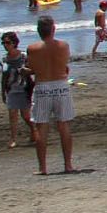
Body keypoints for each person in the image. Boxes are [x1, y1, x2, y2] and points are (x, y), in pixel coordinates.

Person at [26, 15, 76, 175]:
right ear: (53, 29)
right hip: (60, 85)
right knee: (64, 125)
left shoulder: (32, 48)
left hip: (43, 86)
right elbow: (64, 65)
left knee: (42, 128)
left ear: (39, 31)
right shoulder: (63, 46)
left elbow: (33, 68)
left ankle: (43, 168)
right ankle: (68, 164)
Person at [0, 31, 32, 148]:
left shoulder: (23, 56)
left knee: (25, 115)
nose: (5, 45)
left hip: (24, 88)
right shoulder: (3, 59)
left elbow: (31, 70)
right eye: (3, 43)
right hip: (11, 89)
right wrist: (2, 92)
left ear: (14, 43)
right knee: (12, 114)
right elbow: (4, 77)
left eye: (7, 42)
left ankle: (34, 130)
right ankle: (13, 139)